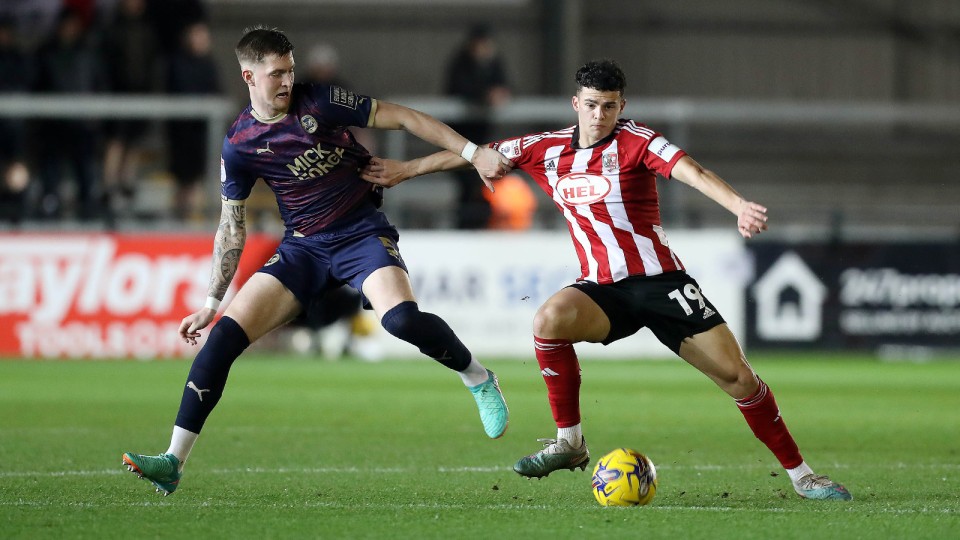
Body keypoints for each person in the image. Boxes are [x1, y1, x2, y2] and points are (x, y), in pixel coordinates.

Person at [361, 59, 852, 501]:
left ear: (622, 107)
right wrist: (408, 169)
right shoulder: (544, 148)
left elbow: (693, 172)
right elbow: (477, 154)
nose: (600, 115)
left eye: (610, 106)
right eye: (592, 105)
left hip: (662, 283)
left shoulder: (639, 141)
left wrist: (738, 205)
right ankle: (570, 443)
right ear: (576, 103)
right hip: (602, 290)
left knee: (739, 379)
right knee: (548, 320)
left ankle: (803, 476)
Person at [121, 26, 512, 496]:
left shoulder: (321, 101)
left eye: (290, 70)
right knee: (221, 338)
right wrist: (211, 302)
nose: (287, 81)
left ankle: (478, 377)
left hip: (360, 233)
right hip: (303, 249)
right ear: (248, 76)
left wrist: (472, 152)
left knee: (402, 321)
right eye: (276, 74)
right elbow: (231, 226)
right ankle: (173, 461)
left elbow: (405, 117)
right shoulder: (239, 143)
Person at [444, 23, 511, 229]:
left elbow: (505, 85)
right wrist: (485, 95)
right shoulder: (461, 63)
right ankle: (465, 226)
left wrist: (500, 92)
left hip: (483, 135)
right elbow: (458, 88)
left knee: (485, 183)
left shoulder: (493, 62)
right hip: (461, 136)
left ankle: (482, 224)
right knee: (466, 184)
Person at [165, 21, 221, 221]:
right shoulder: (178, 63)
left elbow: (217, 93)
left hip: (203, 134)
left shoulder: (209, 65)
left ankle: (190, 217)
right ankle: (180, 216)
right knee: (184, 180)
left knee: (199, 179)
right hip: (182, 133)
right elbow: (180, 92)